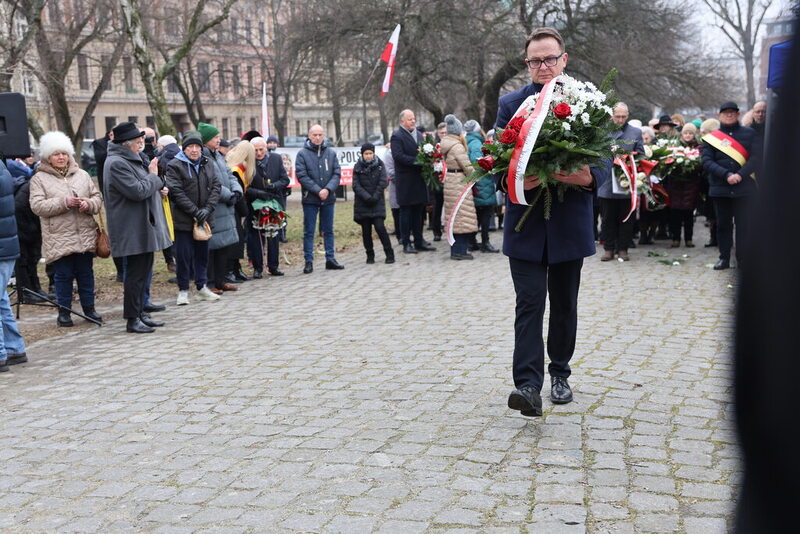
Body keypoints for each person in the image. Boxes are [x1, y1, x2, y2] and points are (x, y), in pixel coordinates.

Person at [496, 27, 599, 416]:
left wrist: (587, 177)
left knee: (564, 304)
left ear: (563, 59)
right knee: (529, 303)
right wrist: (517, 177)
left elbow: (602, 160)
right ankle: (527, 385)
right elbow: (495, 159)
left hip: (568, 224)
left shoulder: (586, 101)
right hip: (525, 224)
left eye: (549, 59)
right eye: (535, 61)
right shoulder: (510, 104)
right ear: (527, 64)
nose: (543, 66)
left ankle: (560, 373)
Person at [29, 131, 103, 326]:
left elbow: (97, 198)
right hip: (58, 236)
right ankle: (65, 313)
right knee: (63, 277)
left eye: (64, 153)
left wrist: (88, 204)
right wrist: (64, 202)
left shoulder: (83, 174)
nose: (61, 157)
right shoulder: (39, 179)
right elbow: (37, 206)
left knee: (86, 274)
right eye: (56, 154)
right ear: (48, 157)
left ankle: (90, 309)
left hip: (85, 234)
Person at [103, 121, 172, 333]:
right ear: (126, 144)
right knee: (134, 276)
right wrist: (153, 175)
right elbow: (138, 191)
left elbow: (148, 186)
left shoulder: (130, 159)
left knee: (143, 272)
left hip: (143, 226)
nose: (141, 143)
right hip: (131, 229)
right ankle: (132, 319)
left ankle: (141, 312)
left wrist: (157, 183)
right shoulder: (117, 163)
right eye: (137, 140)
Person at [701, 101, 760, 270]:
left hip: (744, 188)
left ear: (738, 114)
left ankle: (742, 259)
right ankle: (724, 258)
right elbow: (707, 161)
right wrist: (726, 175)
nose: (729, 115)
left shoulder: (749, 133)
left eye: (732, 112)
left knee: (744, 226)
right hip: (721, 187)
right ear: (719, 115)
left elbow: (756, 158)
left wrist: (740, 175)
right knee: (723, 225)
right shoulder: (713, 137)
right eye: (726, 112)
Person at [165, 131, 221, 304]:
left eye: (197, 146)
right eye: (191, 147)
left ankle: (202, 287)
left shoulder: (208, 163)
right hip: (183, 220)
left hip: (204, 219)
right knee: (184, 256)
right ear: (185, 148)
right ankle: (182, 290)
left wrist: (208, 209)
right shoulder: (175, 165)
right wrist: (196, 212)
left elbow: (216, 186)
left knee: (202, 254)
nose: (195, 150)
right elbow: (176, 192)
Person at [198, 122, 241, 293]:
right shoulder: (203, 157)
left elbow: (230, 175)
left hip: (227, 207)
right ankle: (210, 282)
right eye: (215, 137)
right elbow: (210, 182)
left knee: (224, 246)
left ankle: (221, 280)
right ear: (206, 140)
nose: (219, 139)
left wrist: (236, 191)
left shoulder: (218, 156)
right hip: (215, 207)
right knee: (212, 246)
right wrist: (228, 195)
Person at [295, 124, 344, 274]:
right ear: (309, 136)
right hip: (311, 198)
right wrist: (318, 190)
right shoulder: (302, 154)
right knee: (309, 231)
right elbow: (302, 175)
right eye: (314, 135)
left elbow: (337, 173)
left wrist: (328, 189)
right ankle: (308, 261)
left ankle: (330, 258)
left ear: (324, 136)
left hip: (328, 198)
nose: (317, 138)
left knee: (328, 230)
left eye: (320, 135)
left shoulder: (330, 153)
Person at [598, 102, 644, 261]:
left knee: (627, 218)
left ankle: (623, 248)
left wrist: (630, 157)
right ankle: (608, 248)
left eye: (624, 116)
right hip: (607, 181)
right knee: (607, 218)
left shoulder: (636, 132)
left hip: (626, 181)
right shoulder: (602, 131)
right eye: (617, 116)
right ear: (611, 116)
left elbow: (641, 155)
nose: (620, 119)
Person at [391, 110, 436, 254]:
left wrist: (429, 158)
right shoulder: (397, 136)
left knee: (418, 211)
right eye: (410, 119)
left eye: (414, 118)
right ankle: (406, 243)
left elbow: (424, 151)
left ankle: (419, 240)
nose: (413, 121)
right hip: (405, 180)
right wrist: (418, 161)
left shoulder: (418, 135)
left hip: (419, 179)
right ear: (402, 121)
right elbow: (398, 156)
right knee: (406, 212)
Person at [247, 137, 289, 277]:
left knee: (273, 235)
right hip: (255, 203)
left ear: (266, 147)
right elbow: (245, 187)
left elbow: (285, 179)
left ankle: (273, 266)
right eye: (256, 150)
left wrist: (274, 186)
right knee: (256, 238)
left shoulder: (276, 159)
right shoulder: (248, 161)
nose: (259, 153)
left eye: (261, 149)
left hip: (274, 201)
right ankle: (258, 268)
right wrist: (260, 193)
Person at [0, 160, 28, 372]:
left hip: (3, 245)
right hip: (6, 245)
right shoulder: (3, 167)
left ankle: (2, 352)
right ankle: (14, 348)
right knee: (1, 299)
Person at [440, 115, 479, 260]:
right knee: (461, 217)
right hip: (459, 182)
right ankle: (459, 251)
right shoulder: (457, 146)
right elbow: (467, 166)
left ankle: (455, 250)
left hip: (451, 181)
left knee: (454, 217)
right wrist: (477, 175)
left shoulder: (446, 143)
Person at [352, 142, 394, 264]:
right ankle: (370, 254)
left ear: (374, 153)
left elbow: (383, 181)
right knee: (366, 231)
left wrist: (375, 196)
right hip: (363, 203)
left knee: (380, 228)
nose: (368, 156)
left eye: (370, 153)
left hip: (377, 202)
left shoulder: (380, 165)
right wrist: (366, 197)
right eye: (366, 153)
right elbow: (356, 185)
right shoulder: (357, 167)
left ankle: (389, 253)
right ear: (362, 154)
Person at [465, 119, 499, 253]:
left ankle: (472, 242)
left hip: (478, 183)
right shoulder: (476, 144)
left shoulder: (469, 141)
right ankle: (485, 242)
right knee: (486, 213)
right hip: (482, 183)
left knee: (479, 214)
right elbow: (479, 163)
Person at [665, 123, 702, 247]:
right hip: (676, 184)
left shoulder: (698, 147)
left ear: (694, 135)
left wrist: (692, 163)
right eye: (686, 133)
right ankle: (675, 238)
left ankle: (688, 238)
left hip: (691, 184)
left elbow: (701, 164)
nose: (688, 135)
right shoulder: (674, 146)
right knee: (675, 213)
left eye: (690, 133)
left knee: (688, 214)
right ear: (682, 134)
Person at [225, 140, 256, 281]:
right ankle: (230, 270)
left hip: (235, 209)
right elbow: (239, 195)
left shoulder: (237, 168)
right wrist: (244, 212)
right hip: (233, 209)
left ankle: (237, 268)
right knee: (235, 242)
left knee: (239, 241)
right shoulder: (236, 170)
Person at [699, 118, 721, 248]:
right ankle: (713, 237)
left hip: (719, 182)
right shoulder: (705, 145)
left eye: (704, 133)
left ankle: (719, 237)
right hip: (708, 183)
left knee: (719, 213)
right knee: (711, 213)